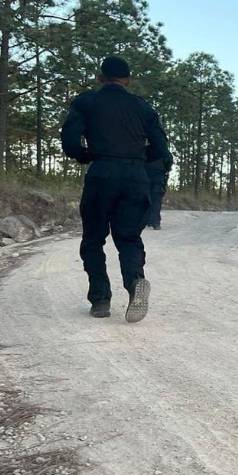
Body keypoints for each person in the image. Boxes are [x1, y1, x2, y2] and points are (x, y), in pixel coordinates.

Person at [60, 55, 169, 323]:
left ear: (100, 78)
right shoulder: (142, 107)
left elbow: (70, 139)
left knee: (93, 238)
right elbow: (161, 149)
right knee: (129, 238)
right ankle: (135, 284)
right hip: (135, 175)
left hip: (102, 172)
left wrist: (85, 155)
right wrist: (140, 157)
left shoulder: (87, 102)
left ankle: (100, 299)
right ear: (128, 80)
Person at [146, 150, 173, 230]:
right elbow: (169, 161)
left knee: (148, 198)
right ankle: (155, 222)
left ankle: (151, 221)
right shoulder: (162, 150)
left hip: (149, 176)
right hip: (158, 176)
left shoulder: (145, 149)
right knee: (156, 199)